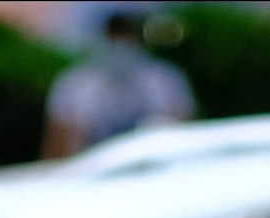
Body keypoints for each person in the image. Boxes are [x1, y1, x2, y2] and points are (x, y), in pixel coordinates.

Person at [43, 9, 194, 161]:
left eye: (126, 33)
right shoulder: (73, 85)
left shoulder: (165, 79)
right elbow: (57, 148)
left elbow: (185, 134)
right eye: (114, 33)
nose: (120, 41)